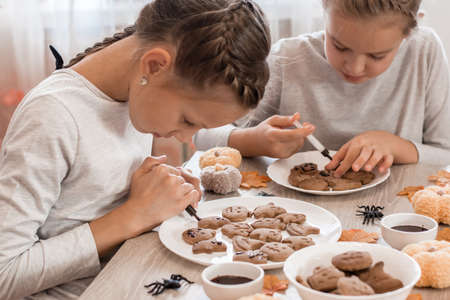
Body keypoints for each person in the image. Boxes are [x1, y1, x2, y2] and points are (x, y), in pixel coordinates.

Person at [0, 1, 271, 299]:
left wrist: (159, 193)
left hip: (135, 275)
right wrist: (135, 214)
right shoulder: (52, 117)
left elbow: (88, 196)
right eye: (188, 120)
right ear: (154, 66)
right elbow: (5, 274)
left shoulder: (135, 92)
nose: (186, 138)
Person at [194, 0, 450, 177]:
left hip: (396, 217)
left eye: (377, 56)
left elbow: (444, 154)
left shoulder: (424, 52)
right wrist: (253, 141)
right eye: (339, 46)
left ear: (413, 27)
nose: (355, 67)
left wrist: (397, 147)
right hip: (296, 217)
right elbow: (202, 133)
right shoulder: (288, 59)